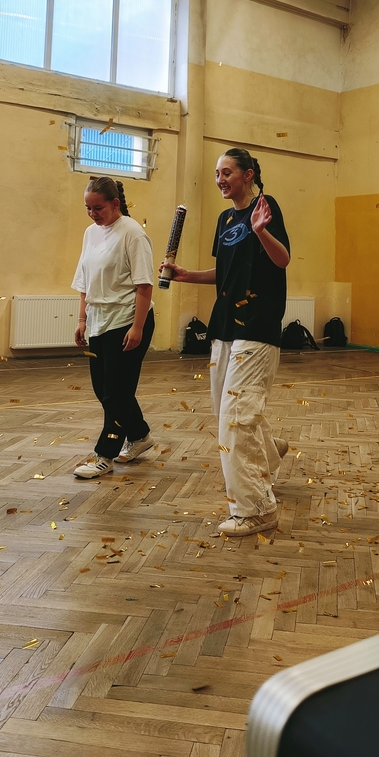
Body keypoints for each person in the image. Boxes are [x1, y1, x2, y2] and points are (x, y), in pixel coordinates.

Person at [162, 147, 290, 537]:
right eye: (218, 173)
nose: (220, 179)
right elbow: (227, 271)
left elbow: (282, 260)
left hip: (257, 326)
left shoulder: (266, 207)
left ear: (248, 175)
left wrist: (261, 231)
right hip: (224, 326)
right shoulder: (225, 218)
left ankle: (257, 509)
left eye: (227, 172)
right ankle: (268, 453)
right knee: (228, 412)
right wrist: (186, 275)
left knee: (237, 418)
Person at [72, 176, 155, 479]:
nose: (92, 214)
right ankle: (140, 435)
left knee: (116, 393)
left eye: (98, 208)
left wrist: (137, 327)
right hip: (98, 321)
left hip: (126, 321)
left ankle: (104, 455)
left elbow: (144, 286)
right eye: (88, 208)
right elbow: (85, 282)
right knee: (103, 389)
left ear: (115, 203)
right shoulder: (90, 233)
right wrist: (82, 320)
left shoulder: (133, 234)